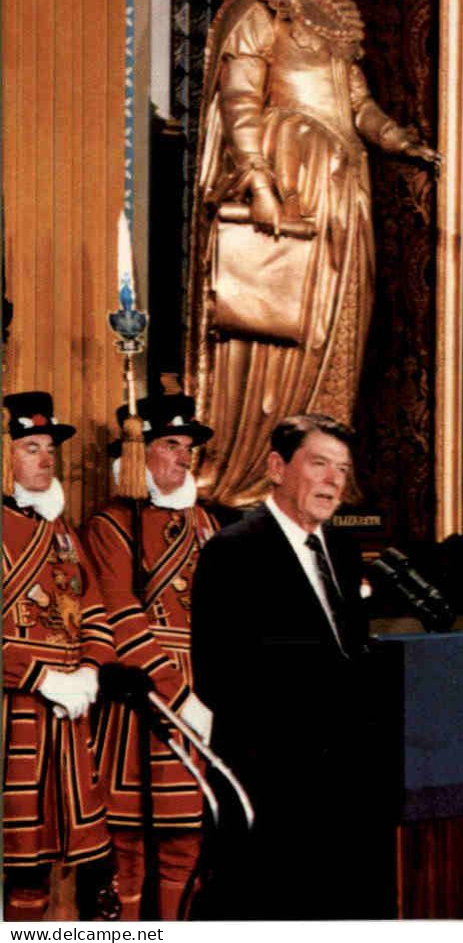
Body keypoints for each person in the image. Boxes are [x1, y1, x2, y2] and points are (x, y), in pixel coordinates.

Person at [184, 0, 438, 509]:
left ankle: (322, 478)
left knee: (335, 331)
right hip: (292, 194)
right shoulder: (254, 13)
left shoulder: (329, 22)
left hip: (344, 199)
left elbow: (357, 106)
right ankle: (260, 470)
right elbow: (240, 102)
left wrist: (402, 140)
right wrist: (260, 181)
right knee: (282, 333)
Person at [191, 413, 395, 919]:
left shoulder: (344, 551)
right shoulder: (233, 551)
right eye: (320, 464)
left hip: (345, 789)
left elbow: (350, 657)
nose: (333, 481)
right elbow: (221, 678)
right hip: (272, 787)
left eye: (343, 470)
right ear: (277, 467)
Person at [83, 391, 218, 920]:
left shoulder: (208, 523)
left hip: (206, 689)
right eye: (169, 444)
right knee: (132, 847)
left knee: (189, 844)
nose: (183, 457)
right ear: (139, 453)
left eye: (187, 447)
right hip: (147, 699)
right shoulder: (110, 524)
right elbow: (122, 615)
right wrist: (178, 696)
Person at [2, 391, 117, 921]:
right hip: (12, 717)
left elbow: (94, 610)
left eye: (49, 448)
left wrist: (91, 670)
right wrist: (40, 676)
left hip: (68, 725)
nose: (46, 459)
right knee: (15, 869)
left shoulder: (65, 535)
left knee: (61, 866)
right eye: (30, 447)